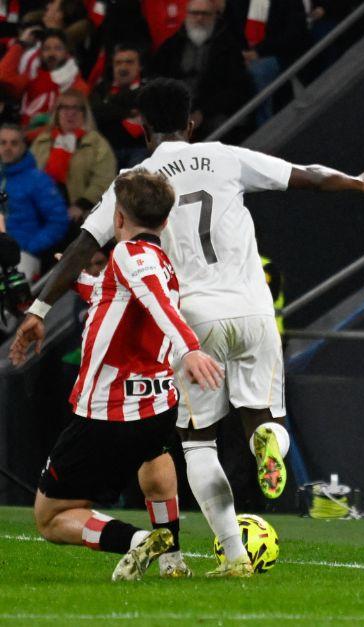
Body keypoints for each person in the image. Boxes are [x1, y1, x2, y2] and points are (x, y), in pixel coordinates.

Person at [10, 77, 364, 577]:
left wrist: (38, 311)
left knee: (197, 441)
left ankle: (232, 552)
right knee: (262, 415)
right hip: (256, 309)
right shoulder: (227, 157)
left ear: (140, 125)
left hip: (193, 320)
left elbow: (84, 246)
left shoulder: (137, 179)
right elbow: (309, 175)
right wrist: (357, 182)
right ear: (192, 122)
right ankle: (268, 445)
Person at [21, 170, 223, 580]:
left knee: (50, 516)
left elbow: (157, 303)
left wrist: (190, 350)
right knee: (155, 456)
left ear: (117, 220)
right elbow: (115, 297)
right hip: (157, 404)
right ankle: (172, 557)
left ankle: (135, 542)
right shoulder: (160, 262)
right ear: (165, 223)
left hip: (105, 411)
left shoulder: (130, 256)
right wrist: (76, 277)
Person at [150, 0, 252, 140]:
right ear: (186, 15)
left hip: (213, 113)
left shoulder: (229, 46)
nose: (199, 18)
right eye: (194, 13)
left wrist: (202, 113)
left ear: (214, 16)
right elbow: (156, 78)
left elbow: (237, 90)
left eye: (205, 14)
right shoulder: (172, 45)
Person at [30, 88, 118, 227]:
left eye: (76, 108)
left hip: (80, 214)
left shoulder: (97, 144)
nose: (70, 113)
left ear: (85, 112)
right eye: (64, 107)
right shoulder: (42, 141)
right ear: (57, 112)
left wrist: (81, 205)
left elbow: (103, 180)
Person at [0, 123, 69, 281]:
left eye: (14, 143)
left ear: (24, 146)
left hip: (22, 254)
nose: (8, 147)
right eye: (3, 143)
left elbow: (58, 221)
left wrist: (29, 247)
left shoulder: (38, 180)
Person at [0, 28, 89, 128]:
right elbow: (3, 78)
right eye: (47, 49)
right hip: (21, 134)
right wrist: (20, 44)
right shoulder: (32, 75)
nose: (52, 53)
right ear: (40, 53)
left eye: (58, 48)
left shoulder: (76, 85)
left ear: (67, 52)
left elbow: (67, 124)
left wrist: (28, 135)